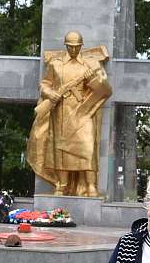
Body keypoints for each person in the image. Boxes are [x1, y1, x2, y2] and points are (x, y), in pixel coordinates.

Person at [26, 30, 111, 196]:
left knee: (87, 147)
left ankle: (91, 185)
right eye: (70, 47)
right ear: (65, 46)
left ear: (81, 46)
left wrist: (92, 78)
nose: (73, 50)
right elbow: (45, 84)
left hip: (84, 111)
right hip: (61, 111)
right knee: (61, 150)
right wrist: (49, 93)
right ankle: (62, 185)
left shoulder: (91, 64)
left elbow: (105, 88)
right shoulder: (56, 64)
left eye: (76, 47)